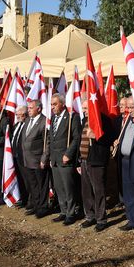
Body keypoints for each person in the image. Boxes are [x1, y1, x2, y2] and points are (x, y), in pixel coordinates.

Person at [79, 100, 114, 232]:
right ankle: (90, 216)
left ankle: (101, 219)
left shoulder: (103, 120)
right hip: (84, 160)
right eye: (83, 108)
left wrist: (96, 136)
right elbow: (80, 140)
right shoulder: (84, 120)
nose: (84, 111)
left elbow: (110, 138)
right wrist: (79, 159)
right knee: (86, 190)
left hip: (97, 160)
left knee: (98, 190)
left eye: (86, 108)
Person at [48, 94, 81, 225]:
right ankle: (63, 211)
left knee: (68, 187)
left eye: (54, 104)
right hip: (55, 159)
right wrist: (51, 157)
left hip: (66, 159)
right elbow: (51, 139)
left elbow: (76, 138)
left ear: (62, 104)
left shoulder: (72, 118)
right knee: (59, 187)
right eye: (51, 105)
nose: (52, 107)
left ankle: (71, 213)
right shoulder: (53, 119)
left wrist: (68, 154)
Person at [115, 98, 134, 232]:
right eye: (129, 107)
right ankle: (132, 220)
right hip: (125, 162)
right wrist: (118, 142)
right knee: (128, 194)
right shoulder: (127, 120)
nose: (130, 110)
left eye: (132, 107)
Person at [21, 100, 49, 218]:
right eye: (28, 108)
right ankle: (36, 205)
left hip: (38, 160)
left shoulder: (44, 122)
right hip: (27, 159)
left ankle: (43, 207)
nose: (29, 110)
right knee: (33, 185)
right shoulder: (28, 120)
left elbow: (47, 142)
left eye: (31, 108)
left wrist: (44, 158)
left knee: (41, 184)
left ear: (39, 109)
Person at [11, 106, 29, 208]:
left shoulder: (26, 125)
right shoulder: (17, 125)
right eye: (17, 114)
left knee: (26, 180)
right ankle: (22, 198)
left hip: (23, 157)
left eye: (19, 115)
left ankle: (29, 200)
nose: (17, 116)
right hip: (15, 156)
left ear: (24, 115)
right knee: (19, 179)